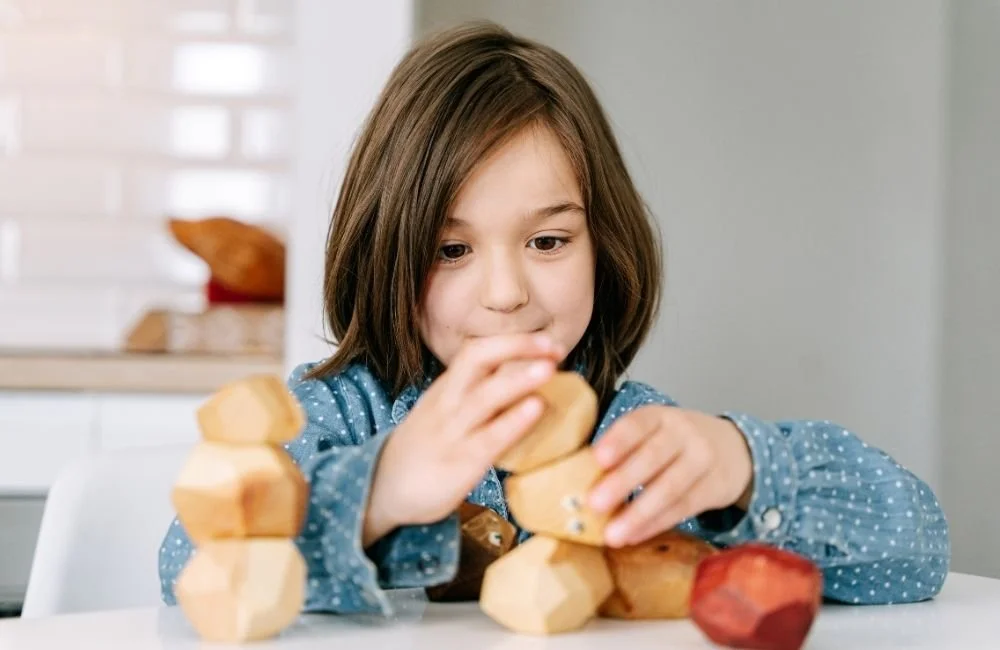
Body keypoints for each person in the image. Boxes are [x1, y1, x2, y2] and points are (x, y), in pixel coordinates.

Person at [158, 21, 950, 616]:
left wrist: (742, 466)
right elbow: (184, 565)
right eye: (451, 249)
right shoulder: (330, 415)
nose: (505, 293)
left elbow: (918, 552)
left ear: (604, 246)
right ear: (386, 255)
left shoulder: (630, 437)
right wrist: (383, 490)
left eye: (547, 240)